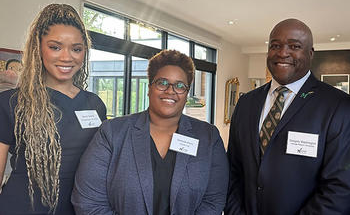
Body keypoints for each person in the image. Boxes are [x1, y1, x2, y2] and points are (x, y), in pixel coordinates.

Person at [72, 49, 229, 215]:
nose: (170, 91)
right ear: (149, 88)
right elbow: (88, 202)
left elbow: (213, 201)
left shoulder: (208, 137)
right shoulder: (112, 132)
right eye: (162, 83)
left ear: (186, 93)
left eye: (180, 86)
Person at [225, 18, 350, 215]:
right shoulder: (246, 103)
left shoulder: (339, 106)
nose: (283, 53)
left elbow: (341, 187)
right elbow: (232, 170)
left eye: (295, 46)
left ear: (310, 53)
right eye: (275, 45)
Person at [0, 4, 107, 214]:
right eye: (55, 47)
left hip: (79, 208)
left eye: (76, 49)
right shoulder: (11, 102)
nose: (67, 57)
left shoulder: (95, 105)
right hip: (21, 207)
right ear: (38, 48)